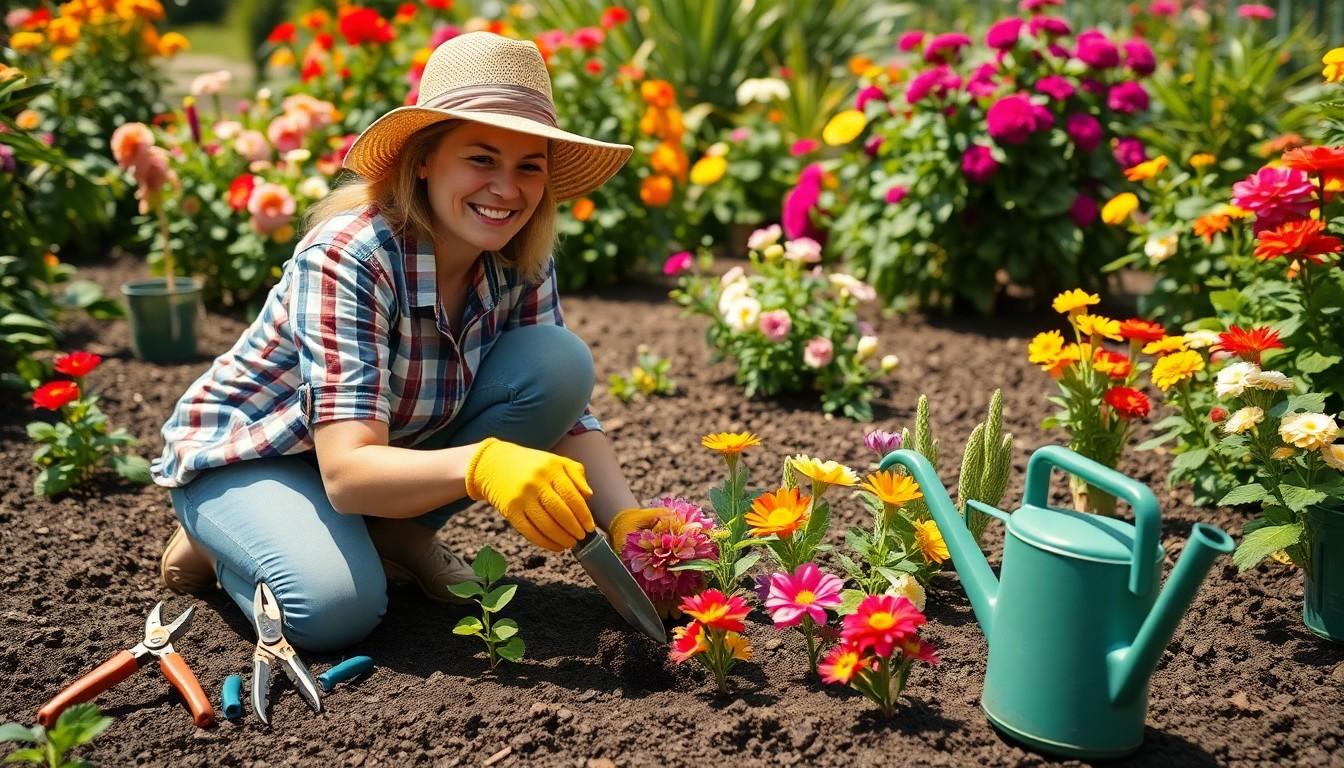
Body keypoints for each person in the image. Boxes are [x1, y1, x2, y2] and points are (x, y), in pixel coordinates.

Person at [154, 32, 672, 652]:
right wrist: (482, 465)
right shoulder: (351, 258)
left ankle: (391, 534)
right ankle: (222, 533)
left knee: (558, 364)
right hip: (257, 455)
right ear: (423, 160)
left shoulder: (519, 256)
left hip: (375, 452)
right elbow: (346, 471)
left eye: (528, 166)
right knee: (334, 611)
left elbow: (566, 412)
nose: (506, 190)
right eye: (481, 159)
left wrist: (625, 522)